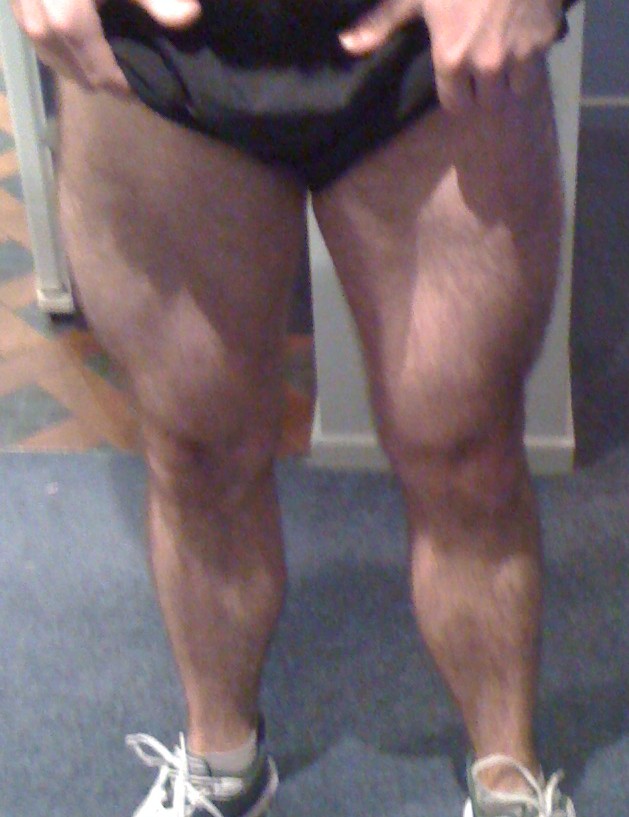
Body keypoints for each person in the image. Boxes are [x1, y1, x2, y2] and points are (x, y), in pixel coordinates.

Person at [11, 0, 579, 815]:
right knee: (195, 450)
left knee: (468, 457)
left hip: (427, 52)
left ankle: (508, 784)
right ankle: (223, 770)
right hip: (159, 49)